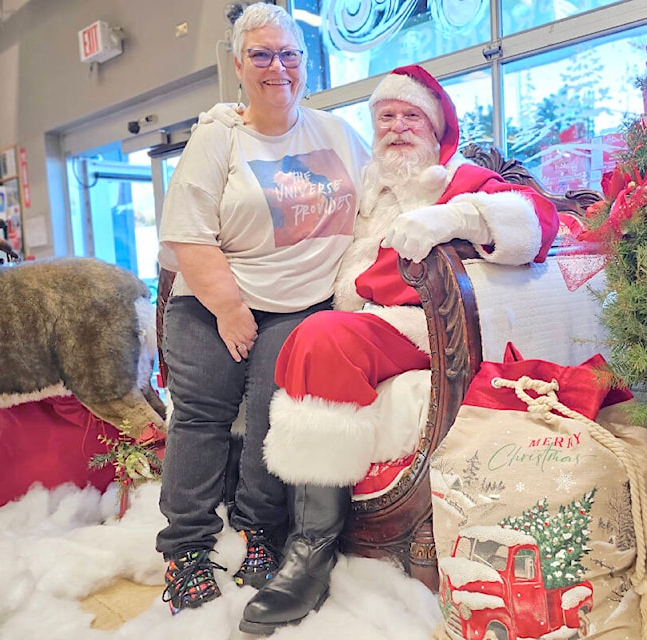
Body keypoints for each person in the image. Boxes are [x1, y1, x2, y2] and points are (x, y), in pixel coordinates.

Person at [238, 64, 559, 634]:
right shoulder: (367, 190)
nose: (397, 127)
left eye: (412, 116)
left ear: (437, 129)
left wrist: (454, 216)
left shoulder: (460, 180)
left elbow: (539, 219)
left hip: (424, 330)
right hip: (365, 320)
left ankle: (310, 551)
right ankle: (282, 525)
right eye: (386, 116)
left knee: (318, 338)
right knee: (295, 339)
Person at [154, 2, 370, 615]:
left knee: (272, 415)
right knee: (201, 418)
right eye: (262, 54)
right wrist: (228, 308)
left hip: (302, 304)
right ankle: (186, 547)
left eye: (290, 54)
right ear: (238, 64)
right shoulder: (219, 135)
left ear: (305, 63)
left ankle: (256, 530)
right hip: (211, 297)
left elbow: (382, 192)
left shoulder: (333, 132)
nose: (278, 66)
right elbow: (188, 234)